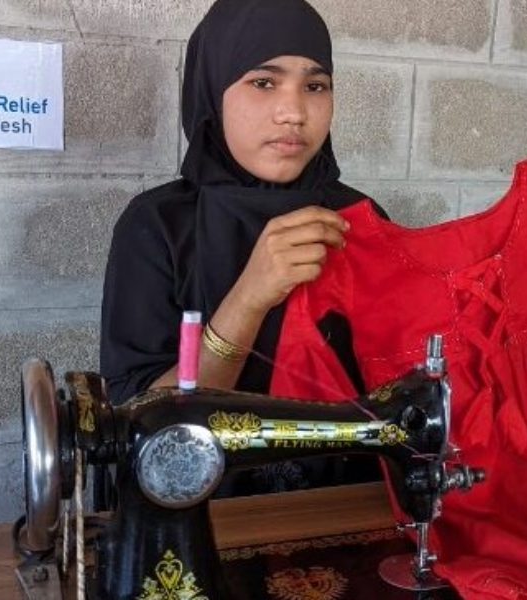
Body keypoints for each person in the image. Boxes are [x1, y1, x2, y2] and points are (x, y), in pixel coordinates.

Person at [99, 0, 383, 494]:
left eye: (315, 86)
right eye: (263, 82)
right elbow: (137, 425)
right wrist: (250, 296)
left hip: (345, 504)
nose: (294, 112)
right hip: (204, 510)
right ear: (212, 91)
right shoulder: (156, 227)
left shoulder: (357, 219)